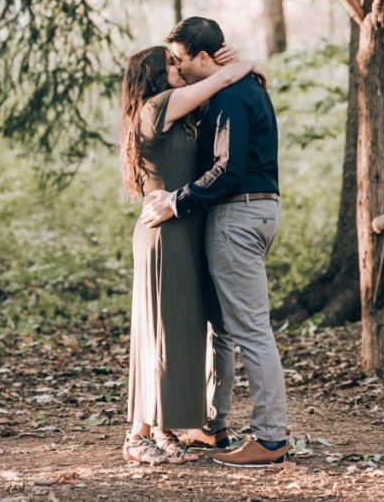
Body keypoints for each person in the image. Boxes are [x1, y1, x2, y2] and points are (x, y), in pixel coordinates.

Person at [140, 16, 289, 468]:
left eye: (183, 60)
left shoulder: (229, 96)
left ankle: (270, 437)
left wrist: (176, 201)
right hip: (258, 210)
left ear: (204, 57)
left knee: (248, 328)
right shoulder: (242, 89)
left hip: (237, 216)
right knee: (225, 327)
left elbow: (228, 169)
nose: (179, 68)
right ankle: (213, 425)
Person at [119, 42, 266, 465]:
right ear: (154, 74)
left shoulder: (177, 113)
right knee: (160, 333)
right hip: (164, 235)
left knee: (182, 334)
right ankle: (137, 434)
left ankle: (164, 426)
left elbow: (216, 100)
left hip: (186, 229)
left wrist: (225, 64)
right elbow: (219, 80)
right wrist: (242, 64)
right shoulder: (157, 106)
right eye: (170, 63)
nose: (178, 66)